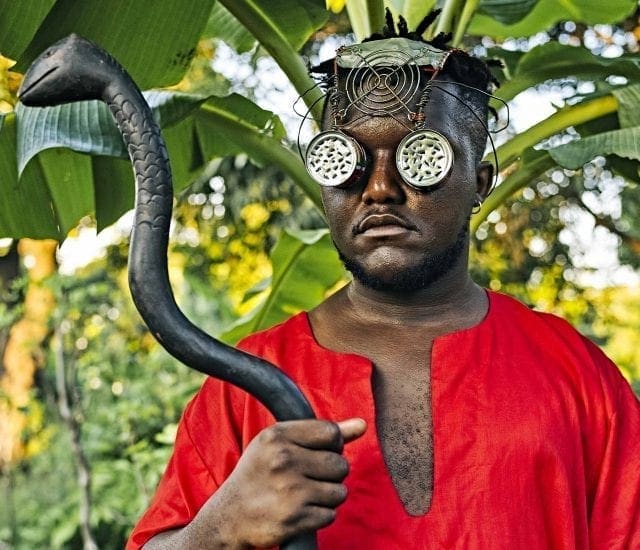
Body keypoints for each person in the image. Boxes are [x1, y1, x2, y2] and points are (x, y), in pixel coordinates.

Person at [128, 15, 640, 550]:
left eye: (421, 156)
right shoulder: (249, 380)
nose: (378, 189)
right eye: (345, 160)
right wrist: (219, 527)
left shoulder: (575, 374)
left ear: (479, 183)